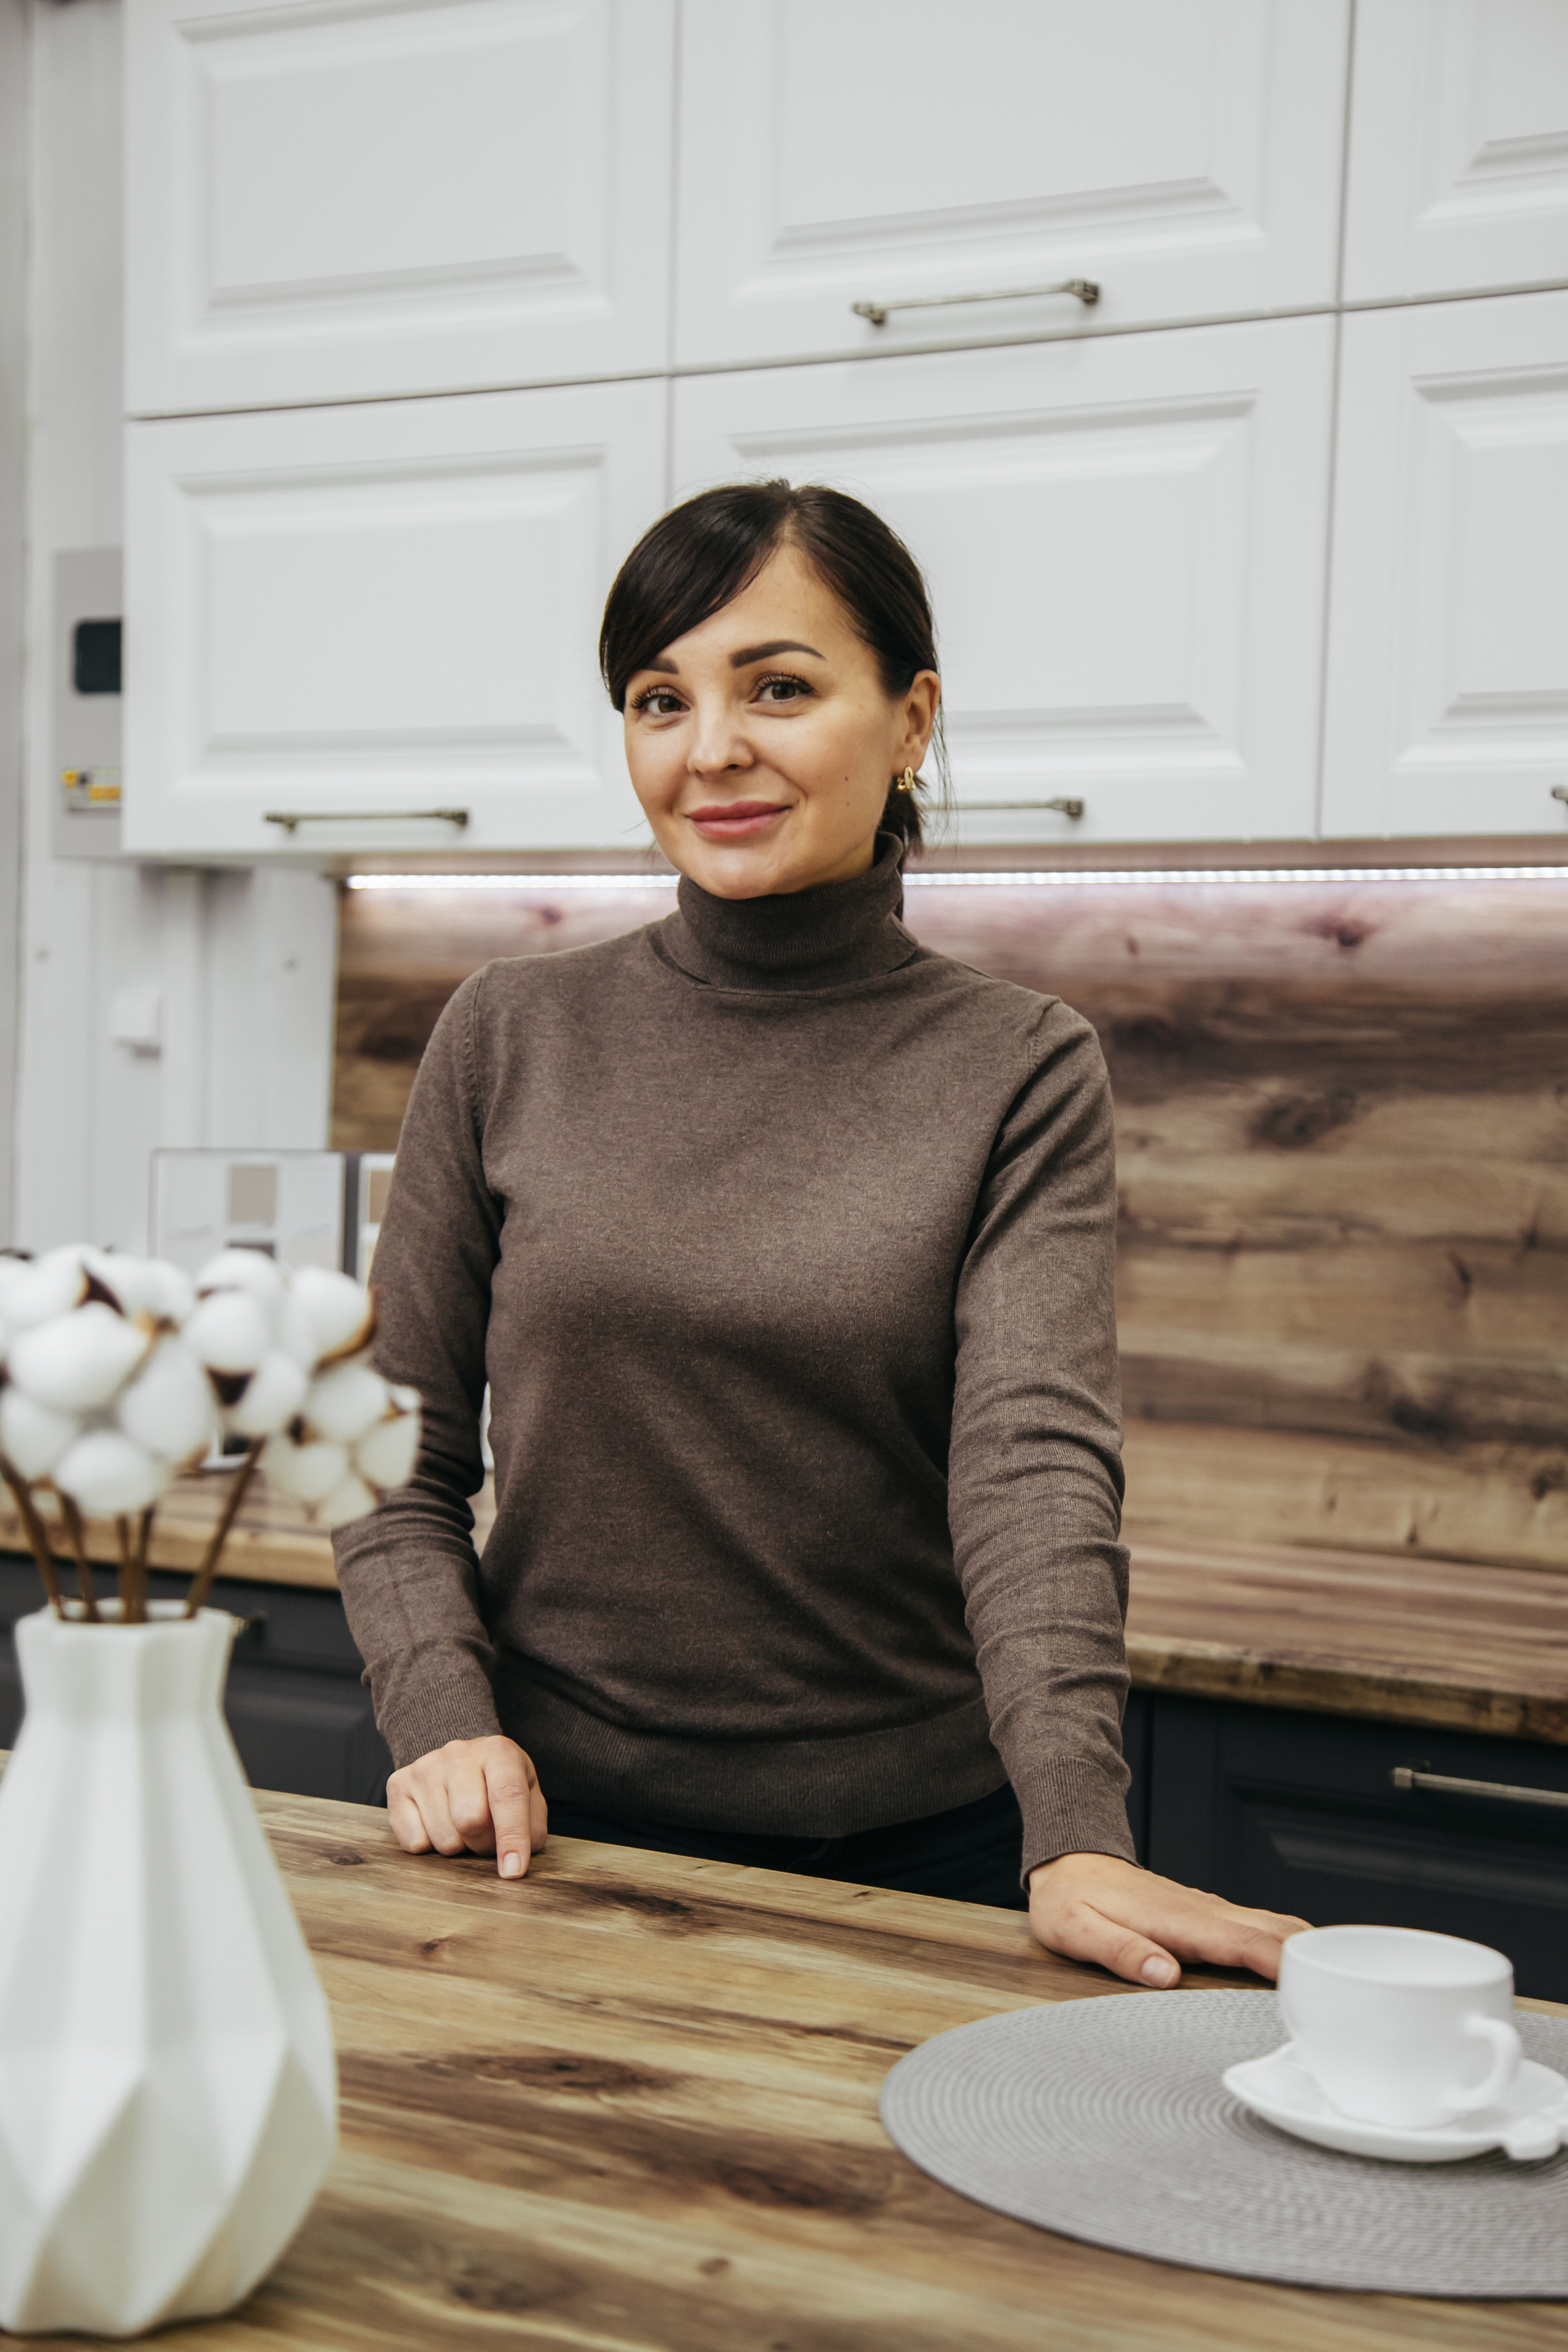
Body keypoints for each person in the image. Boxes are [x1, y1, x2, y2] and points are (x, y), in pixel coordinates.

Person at [333, 480, 1306, 1989]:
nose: (710, 748)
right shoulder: (509, 1033)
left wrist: (1076, 1824)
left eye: (776, 687)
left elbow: (1031, 1462)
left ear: (910, 718)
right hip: (538, 1833)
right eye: (660, 698)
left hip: (916, 1856)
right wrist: (442, 1717)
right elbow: (386, 1445)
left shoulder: (1017, 1063)